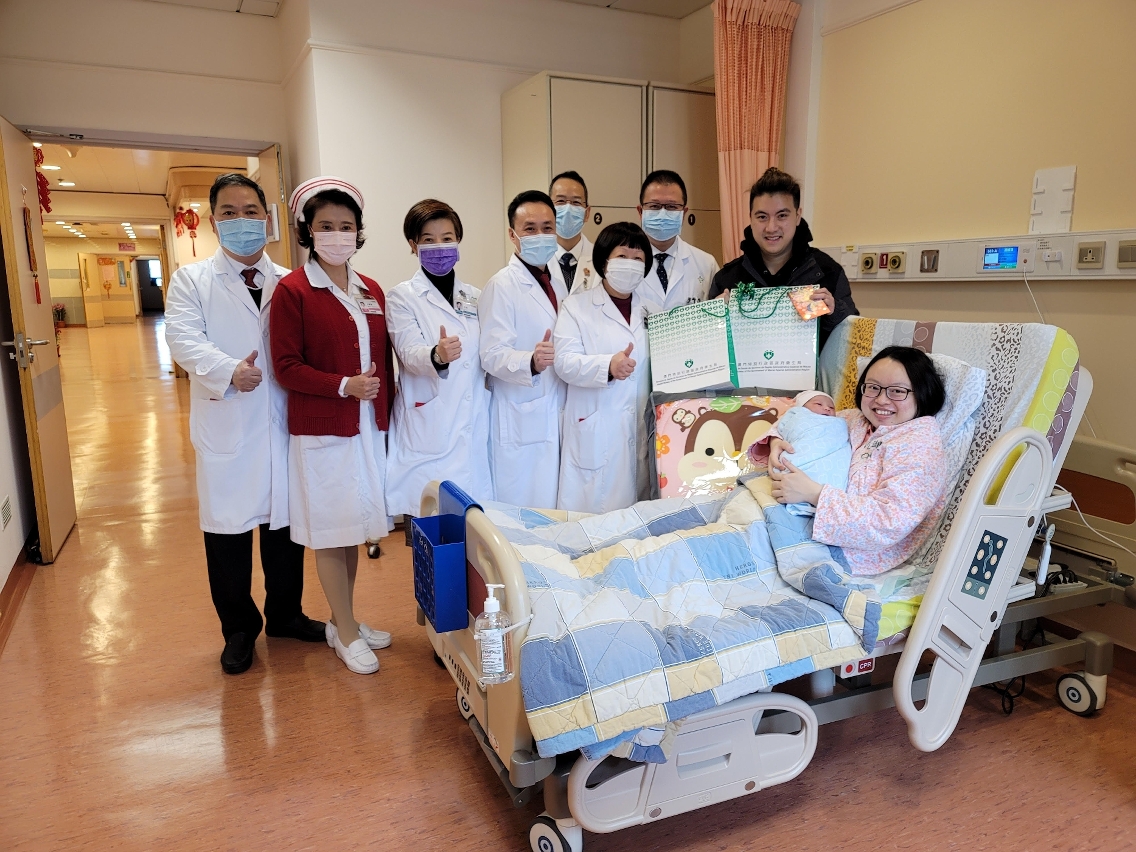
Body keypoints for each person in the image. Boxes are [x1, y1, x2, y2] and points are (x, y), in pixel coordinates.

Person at [165, 173, 325, 676]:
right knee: (228, 534)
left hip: (283, 422)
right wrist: (228, 370)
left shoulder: (292, 281)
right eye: (229, 213)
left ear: (268, 218)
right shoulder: (192, 280)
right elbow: (183, 340)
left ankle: (286, 615)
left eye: (251, 211)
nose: (242, 220)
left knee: (285, 529)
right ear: (214, 223)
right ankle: (238, 629)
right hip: (229, 417)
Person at [270, 176, 395, 675]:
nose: (338, 235)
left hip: (366, 427)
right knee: (330, 531)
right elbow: (286, 367)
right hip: (323, 429)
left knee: (355, 526)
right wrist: (343, 385)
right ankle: (343, 633)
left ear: (358, 231)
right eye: (326, 226)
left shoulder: (370, 289)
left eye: (346, 226)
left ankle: (348, 619)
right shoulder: (293, 290)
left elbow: (385, 360)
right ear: (308, 230)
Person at [759, 346, 950, 576]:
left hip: (847, 551)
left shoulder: (920, 445)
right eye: (873, 387)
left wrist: (815, 494)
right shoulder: (855, 419)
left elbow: (889, 521)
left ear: (923, 393)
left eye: (897, 391)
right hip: (788, 505)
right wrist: (776, 441)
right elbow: (804, 421)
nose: (881, 399)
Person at [386, 199, 493, 515]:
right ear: (413, 245)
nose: (439, 247)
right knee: (429, 523)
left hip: (471, 421)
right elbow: (409, 353)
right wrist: (437, 355)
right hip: (429, 425)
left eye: (447, 238)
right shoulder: (402, 297)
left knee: (473, 526)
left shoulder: (475, 296)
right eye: (428, 240)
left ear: (458, 241)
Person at [554, 222, 653, 513]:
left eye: (638, 258)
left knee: (635, 518)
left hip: (638, 428)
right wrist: (607, 366)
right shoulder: (576, 307)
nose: (630, 264)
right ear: (604, 260)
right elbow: (564, 362)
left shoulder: (651, 311)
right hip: (596, 429)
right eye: (622, 256)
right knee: (590, 521)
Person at [478, 190, 567, 509]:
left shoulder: (556, 280)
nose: (540, 235)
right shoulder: (501, 285)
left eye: (547, 227)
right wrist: (530, 361)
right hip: (520, 415)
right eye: (530, 228)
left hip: (553, 408)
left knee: (553, 507)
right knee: (522, 508)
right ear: (512, 235)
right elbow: (490, 354)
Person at [708, 167, 858, 353]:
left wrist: (835, 312)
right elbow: (710, 349)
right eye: (762, 217)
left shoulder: (827, 273)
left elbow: (853, 343)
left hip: (810, 373)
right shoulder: (727, 279)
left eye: (782, 216)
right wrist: (713, 319)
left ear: (798, 216)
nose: (771, 227)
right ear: (750, 219)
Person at [749, 390, 851, 517]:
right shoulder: (797, 415)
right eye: (819, 404)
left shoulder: (841, 422)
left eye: (831, 407)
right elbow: (780, 427)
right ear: (801, 407)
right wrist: (775, 442)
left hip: (832, 495)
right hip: (792, 473)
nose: (827, 408)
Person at [636, 169, 720, 313]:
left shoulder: (706, 264)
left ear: (684, 213)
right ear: (640, 211)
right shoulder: (621, 263)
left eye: (672, 207)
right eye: (654, 206)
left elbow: (717, 317)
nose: (663, 214)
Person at [548, 170, 596, 294]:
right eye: (560, 201)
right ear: (548, 209)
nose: (568, 209)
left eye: (576, 202)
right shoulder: (536, 259)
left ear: (587, 213)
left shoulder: (600, 259)